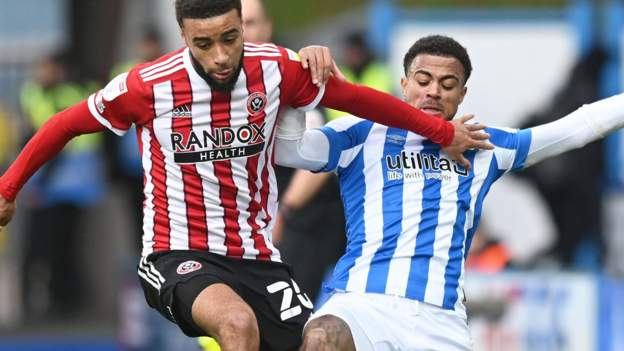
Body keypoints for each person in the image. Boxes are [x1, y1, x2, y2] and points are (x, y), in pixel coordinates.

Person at [0, 1, 490, 349]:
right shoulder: (146, 87)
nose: (219, 56)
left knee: (321, 343)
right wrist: (7, 189)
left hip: (257, 258)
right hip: (178, 253)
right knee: (236, 324)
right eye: (204, 43)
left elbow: (361, 99)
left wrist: (438, 130)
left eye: (230, 38)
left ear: (242, 25)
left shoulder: (275, 69)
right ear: (184, 38)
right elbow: (63, 123)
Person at [275, 34, 624, 350]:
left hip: (439, 321)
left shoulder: (487, 146)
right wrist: (298, 85)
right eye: (423, 81)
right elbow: (288, 151)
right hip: (362, 302)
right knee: (322, 337)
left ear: (462, 94)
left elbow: (575, 129)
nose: (433, 92)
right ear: (404, 83)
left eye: (447, 84)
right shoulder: (361, 133)